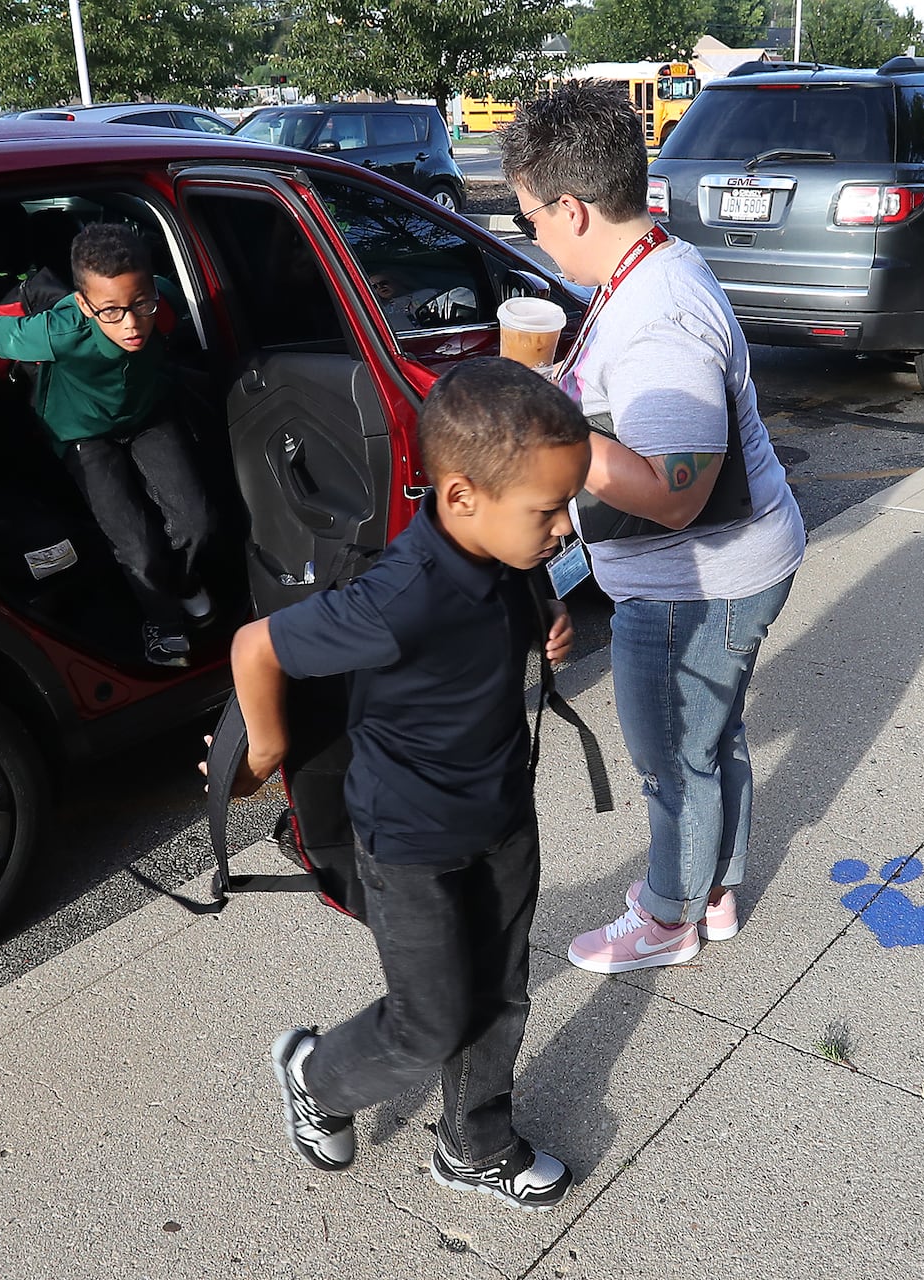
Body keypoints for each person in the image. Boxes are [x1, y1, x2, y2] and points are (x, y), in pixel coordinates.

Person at [220, 358, 589, 1213]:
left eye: (567, 505)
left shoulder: (504, 548)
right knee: (428, 1024)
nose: (566, 528)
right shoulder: (400, 595)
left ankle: (475, 1144)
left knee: (499, 993)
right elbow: (257, 648)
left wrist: (548, 617)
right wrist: (266, 747)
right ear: (461, 498)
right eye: (549, 509)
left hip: (501, 815)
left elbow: (516, 592)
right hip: (412, 843)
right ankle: (315, 1075)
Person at [500, 81, 808, 975]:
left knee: (675, 759)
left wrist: (546, 426)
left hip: (694, 583)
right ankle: (714, 890)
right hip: (726, 568)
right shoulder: (648, 268)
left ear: (573, 207)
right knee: (714, 738)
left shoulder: (659, 315)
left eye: (531, 217)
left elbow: (675, 491)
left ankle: (667, 915)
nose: (533, 235)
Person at [0, 222, 215, 667]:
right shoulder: (59, 330)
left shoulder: (159, 302)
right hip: (82, 432)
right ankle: (162, 623)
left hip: (147, 415)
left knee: (197, 521)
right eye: (111, 310)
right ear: (85, 305)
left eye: (140, 304)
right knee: (136, 545)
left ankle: (182, 583)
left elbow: (159, 311)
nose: (131, 324)